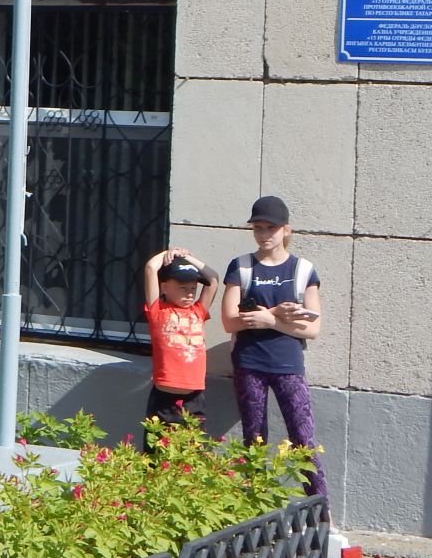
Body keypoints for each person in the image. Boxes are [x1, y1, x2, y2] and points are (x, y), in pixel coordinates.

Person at [220, 194, 328, 502]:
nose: (265, 234)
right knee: (254, 440)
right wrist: (269, 317)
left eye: (271, 227)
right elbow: (229, 322)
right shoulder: (241, 267)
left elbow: (314, 328)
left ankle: (320, 510)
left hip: (288, 364)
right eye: (258, 228)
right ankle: (254, 509)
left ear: (286, 230)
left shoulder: (303, 269)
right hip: (249, 363)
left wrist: (270, 320)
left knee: (303, 439)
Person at [140, 249, 217, 427]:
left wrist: (187, 256)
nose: (190, 294)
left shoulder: (198, 311)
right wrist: (169, 253)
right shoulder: (158, 311)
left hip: (194, 398)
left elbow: (213, 278)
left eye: (193, 288)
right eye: (182, 288)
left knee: (192, 450)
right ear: (165, 287)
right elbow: (151, 268)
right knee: (157, 449)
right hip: (164, 399)